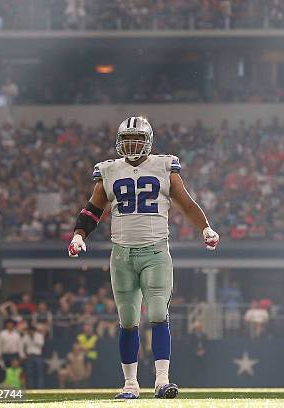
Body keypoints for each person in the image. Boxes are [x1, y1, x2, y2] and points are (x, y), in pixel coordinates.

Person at [67, 116, 219, 399]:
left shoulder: (164, 166)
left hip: (155, 251)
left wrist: (206, 228)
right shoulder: (109, 170)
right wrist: (79, 235)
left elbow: (186, 203)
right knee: (127, 319)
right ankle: (130, 384)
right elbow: (92, 210)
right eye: (127, 139)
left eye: (137, 138)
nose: (132, 144)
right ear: (119, 142)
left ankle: (162, 381)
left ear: (148, 140)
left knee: (159, 313)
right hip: (121, 254)